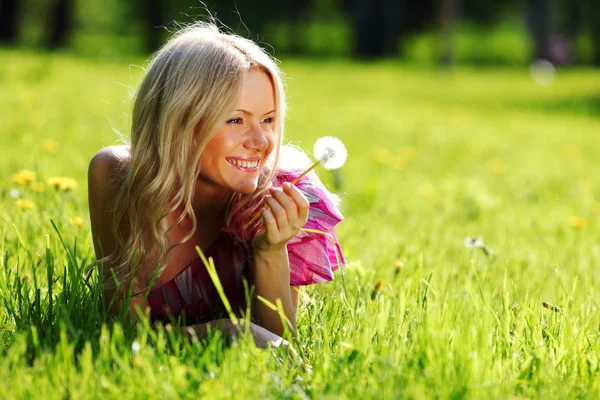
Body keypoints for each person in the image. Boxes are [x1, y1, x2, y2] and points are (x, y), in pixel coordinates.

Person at [87, 22, 345, 347]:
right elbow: (124, 332)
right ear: (179, 120)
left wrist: (271, 251)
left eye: (268, 119)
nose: (261, 141)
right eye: (236, 120)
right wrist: (227, 332)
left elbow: (279, 346)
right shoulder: (116, 176)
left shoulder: (282, 192)